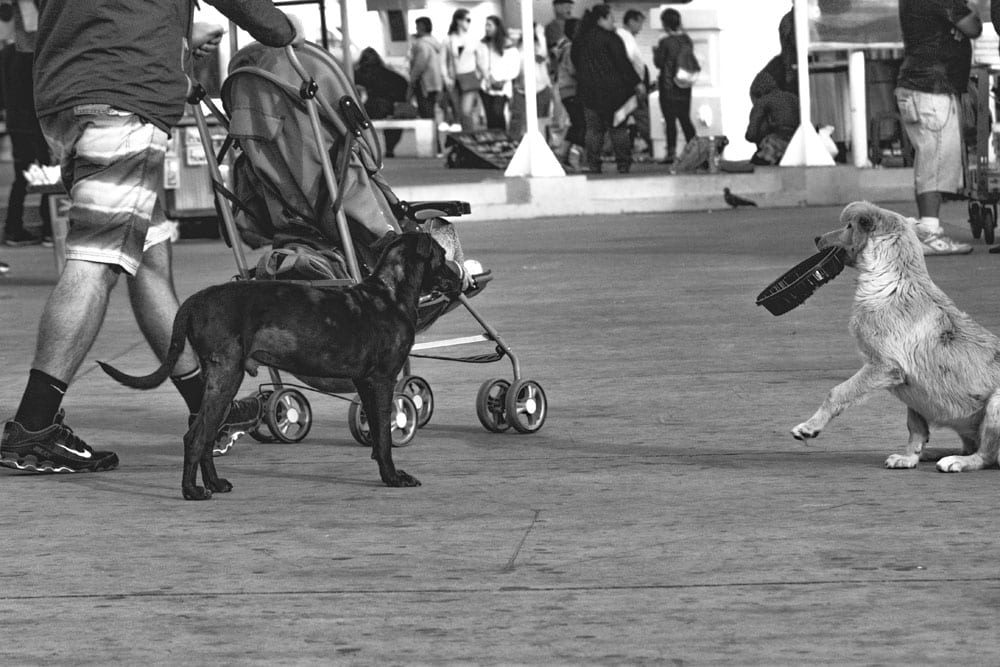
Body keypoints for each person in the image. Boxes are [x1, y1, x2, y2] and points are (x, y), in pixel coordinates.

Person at [0, 1, 303, 475]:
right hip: (123, 98)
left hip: (66, 92)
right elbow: (256, 15)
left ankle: (209, 409)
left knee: (148, 261)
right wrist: (283, 28)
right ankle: (33, 427)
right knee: (96, 261)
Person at [895, 0, 981, 255]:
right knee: (935, 164)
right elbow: (974, 27)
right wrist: (970, 12)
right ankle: (929, 234)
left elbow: (963, 26)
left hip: (918, 87)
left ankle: (927, 229)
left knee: (930, 162)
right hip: (932, 90)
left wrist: (956, 26)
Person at [0, 0, 53, 248]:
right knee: (44, 172)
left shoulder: (8, 56)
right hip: (33, 120)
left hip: (18, 120)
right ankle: (48, 227)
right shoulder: (34, 59)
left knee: (27, 175)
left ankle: (16, 228)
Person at [571, 3, 642, 174]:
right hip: (613, 94)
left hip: (588, 93)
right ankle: (623, 164)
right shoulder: (612, 38)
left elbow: (575, 62)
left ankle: (594, 164)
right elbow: (623, 64)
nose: (614, 23)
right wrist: (636, 83)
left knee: (593, 130)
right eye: (612, 18)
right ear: (602, 19)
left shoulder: (580, 39)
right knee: (618, 129)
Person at [653, 8, 697, 165]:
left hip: (668, 86)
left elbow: (659, 63)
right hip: (684, 86)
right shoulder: (687, 40)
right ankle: (696, 151)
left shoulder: (665, 42)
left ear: (665, 24)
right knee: (685, 119)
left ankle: (671, 153)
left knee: (670, 121)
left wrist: (655, 51)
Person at [355, 47, 409, 158]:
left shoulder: (358, 74)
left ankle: (365, 150)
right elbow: (402, 85)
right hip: (390, 107)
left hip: (372, 108)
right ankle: (390, 148)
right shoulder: (390, 75)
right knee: (392, 122)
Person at [617, 9, 652, 160]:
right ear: (631, 21)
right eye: (640, 23)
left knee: (620, 118)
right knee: (642, 118)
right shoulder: (624, 37)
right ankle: (655, 147)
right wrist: (637, 83)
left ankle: (612, 151)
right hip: (630, 86)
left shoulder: (624, 36)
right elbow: (628, 62)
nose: (641, 28)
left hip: (628, 85)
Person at [508, 23, 552, 141]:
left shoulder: (539, 47)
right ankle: (514, 145)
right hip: (521, 90)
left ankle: (541, 146)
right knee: (518, 119)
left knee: (540, 121)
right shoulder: (518, 49)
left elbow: (541, 56)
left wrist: (540, 35)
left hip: (541, 89)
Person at [475, 15, 518, 132]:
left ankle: (502, 139)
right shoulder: (482, 44)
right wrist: (487, 77)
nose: (487, 28)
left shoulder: (508, 45)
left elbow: (514, 67)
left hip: (501, 86)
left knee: (498, 113)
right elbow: (480, 63)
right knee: (490, 117)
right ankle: (492, 142)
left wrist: (501, 79)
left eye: (489, 25)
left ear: (497, 27)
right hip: (486, 85)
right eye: (486, 25)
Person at [544, 0, 575, 151]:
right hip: (559, 77)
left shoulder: (574, 24)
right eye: (564, 4)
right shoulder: (554, 26)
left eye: (570, 5)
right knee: (559, 116)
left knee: (570, 117)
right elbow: (557, 51)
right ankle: (557, 148)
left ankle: (566, 149)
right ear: (555, 7)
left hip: (573, 79)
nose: (568, 8)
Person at [554, 17, 584, 169]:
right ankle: (573, 156)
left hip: (564, 89)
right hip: (572, 89)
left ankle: (562, 154)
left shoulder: (562, 46)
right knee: (582, 123)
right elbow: (573, 70)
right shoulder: (571, 48)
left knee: (576, 123)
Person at [444, 9, 480, 132]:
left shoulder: (473, 39)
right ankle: (464, 140)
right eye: (467, 20)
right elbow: (443, 62)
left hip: (469, 76)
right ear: (458, 21)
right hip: (454, 78)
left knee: (466, 111)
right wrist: (446, 77)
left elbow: (479, 59)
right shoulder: (449, 39)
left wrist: (481, 75)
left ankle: (470, 138)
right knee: (458, 112)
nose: (469, 23)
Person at [408, 16, 443, 122]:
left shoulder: (422, 45)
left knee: (426, 115)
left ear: (421, 27)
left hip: (424, 84)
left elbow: (420, 65)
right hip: (435, 83)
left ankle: (430, 137)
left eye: (417, 26)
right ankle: (435, 137)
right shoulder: (435, 43)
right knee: (431, 113)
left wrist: (412, 79)